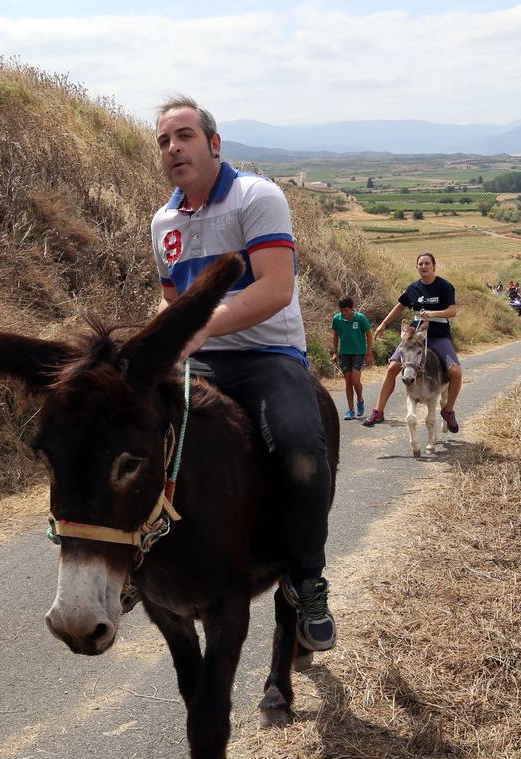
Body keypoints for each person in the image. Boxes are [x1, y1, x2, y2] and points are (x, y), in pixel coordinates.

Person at [150, 96, 335, 651]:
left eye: (183, 135)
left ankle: (306, 579)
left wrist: (201, 325)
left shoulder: (258, 197)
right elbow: (169, 300)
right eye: (163, 141)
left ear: (214, 143)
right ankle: (136, 564)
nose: (173, 148)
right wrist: (159, 336)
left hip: (266, 357)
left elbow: (276, 289)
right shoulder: (163, 222)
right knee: (130, 434)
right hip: (198, 361)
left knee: (302, 451)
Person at [363, 252, 462, 432]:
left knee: (455, 372)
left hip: (439, 336)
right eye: (420, 264)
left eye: (427, 263)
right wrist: (384, 324)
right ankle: (378, 411)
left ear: (434, 266)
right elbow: (400, 306)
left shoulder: (444, 286)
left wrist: (433, 314)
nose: (423, 266)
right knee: (392, 367)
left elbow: (452, 311)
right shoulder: (413, 289)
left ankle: (448, 411)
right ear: (417, 267)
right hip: (416, 336)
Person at [331, 297, 373, 420]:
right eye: (342, 311)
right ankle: (350, 410)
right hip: (344, 353)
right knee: (348, 381)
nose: (344, 313)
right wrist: (335, 352)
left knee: (355, 380)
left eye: (346, 310)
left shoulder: (360, 318)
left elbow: (369, 334)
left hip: (358, 353)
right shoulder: (337, 319)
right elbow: (335, 335)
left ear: (352, 308)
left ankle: (360, 400)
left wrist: (369, 352)